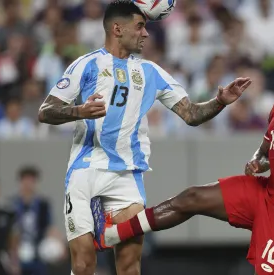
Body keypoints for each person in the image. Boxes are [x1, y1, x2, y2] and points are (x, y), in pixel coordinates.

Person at [93, 39, 274, 275]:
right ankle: (112, 234)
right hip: (267, 192)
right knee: (192, 198)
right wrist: (258, 160)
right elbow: (266, 151)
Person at [37, 1, 252, 275]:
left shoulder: (150, 72)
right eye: (140, 26)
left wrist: (220, 102)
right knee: (82, 265)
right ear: (117, 29)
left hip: (126, 175)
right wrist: (79, 111)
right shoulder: (87, 65)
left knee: (129, 265)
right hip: (85, 170)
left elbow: (191, 114)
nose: (146, 34)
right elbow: (46, 111)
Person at [12, 166, 53, 275]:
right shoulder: (13, 205)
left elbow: (49, 227)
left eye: (31, 181)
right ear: (21, 182)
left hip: (37, 249)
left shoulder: (43, 204)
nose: (28, 184)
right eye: (26, 181)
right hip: (18, 249)